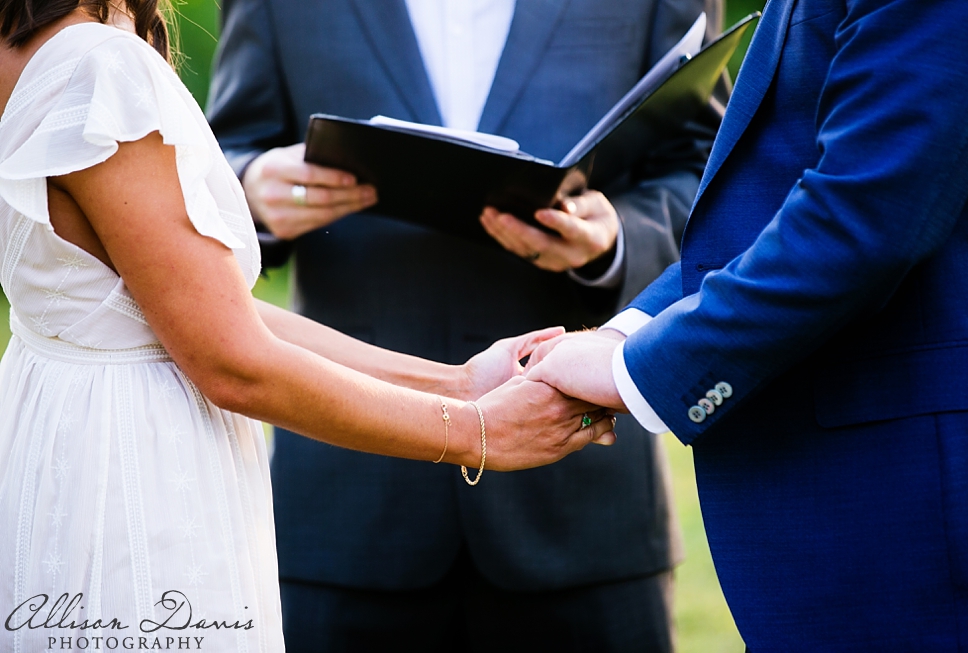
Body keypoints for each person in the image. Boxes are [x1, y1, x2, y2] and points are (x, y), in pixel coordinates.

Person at [0, 3, 616, 651]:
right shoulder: (101, 65)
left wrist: (461, 383)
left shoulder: (30, 44)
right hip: (133, 478)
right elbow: (232, 359)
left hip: (62, 444)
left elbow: (186, 309)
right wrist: (475, 432)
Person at [208, 0, 725, 650]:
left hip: (580, 506)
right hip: (346, 511)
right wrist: (251, 189)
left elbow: (714, 171)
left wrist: (616, 239)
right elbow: (219, 156)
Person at [527, 0, 968, 648]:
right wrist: (625, 332)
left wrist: (644, 369)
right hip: (846, 519)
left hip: (912, 517)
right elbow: (777, 192)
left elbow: (867, 214)